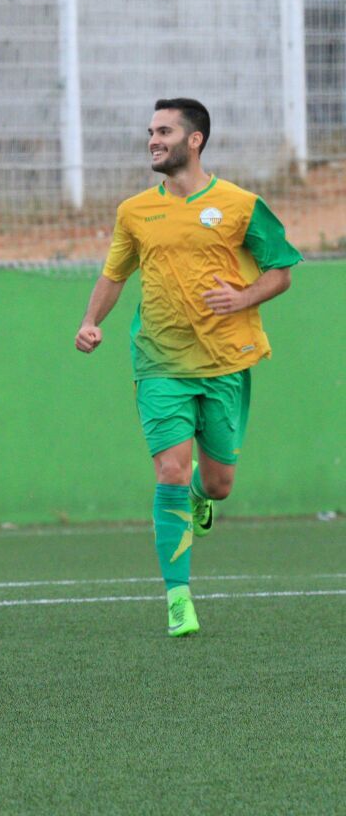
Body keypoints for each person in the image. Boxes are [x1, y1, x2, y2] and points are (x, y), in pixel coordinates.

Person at [75, 97, 300, 638]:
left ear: (194, 140)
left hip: (225, 363)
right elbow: (114, 274)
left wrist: (243, 298)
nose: (153, 139)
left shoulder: (241, 205)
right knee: (170, 470)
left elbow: (282, 271)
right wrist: (91, 321)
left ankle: (203, 498)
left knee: (218, 484)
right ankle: (179, 598)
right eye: (150, 131)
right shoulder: (134, 211)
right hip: (159, 361)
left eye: (164, 131)